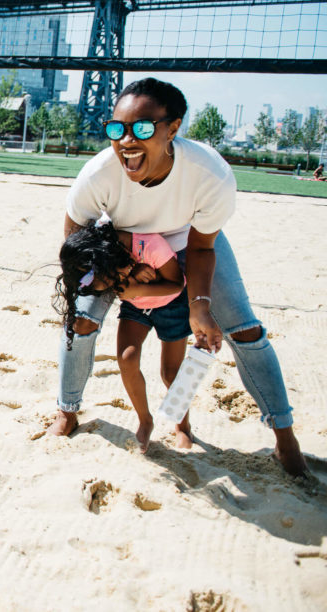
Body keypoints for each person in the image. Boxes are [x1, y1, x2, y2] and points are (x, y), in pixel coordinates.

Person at [47, 77, 308, 477]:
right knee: (80, 320)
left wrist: (200, 306)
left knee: (245, 330)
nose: (127, 141)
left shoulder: (210, 174)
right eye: (117, 129)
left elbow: (203, 248)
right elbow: (73, 241)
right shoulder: (98, 174)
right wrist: (119, 275)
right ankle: (67, 411)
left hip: (189, 243)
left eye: (144, 129)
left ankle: (284, 437)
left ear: (173, 128)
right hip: (120, 245)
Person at [55, 221, 193, 453]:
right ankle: (145, 420)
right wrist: (132, 275)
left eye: (105, 283)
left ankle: (183, 426)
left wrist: (139, 289)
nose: (105, 289)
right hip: (136, 307)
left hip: (171, 304)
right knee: (127, 359)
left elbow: (177, 284)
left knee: (171, 373)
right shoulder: (111, 260)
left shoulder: (151, 247)